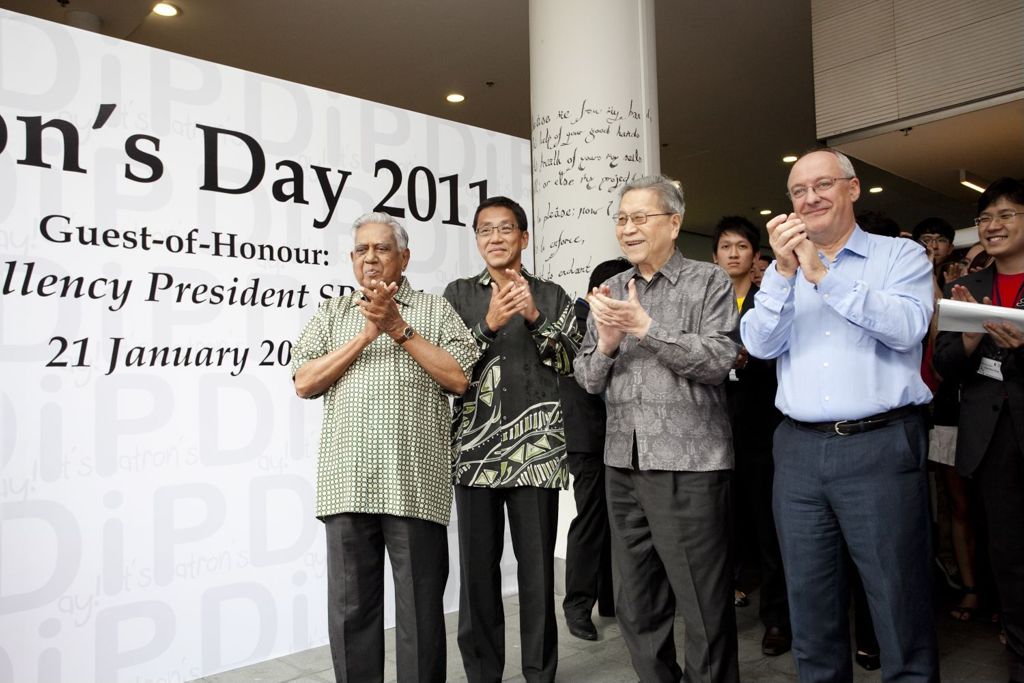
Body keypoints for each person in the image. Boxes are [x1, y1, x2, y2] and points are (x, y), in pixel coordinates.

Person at [740, 148, 938, 682]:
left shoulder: (901, 257)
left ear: (852, 189)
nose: (810, 198)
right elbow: (758, 346)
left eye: (822, 185)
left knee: (898, 602)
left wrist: (822, 274)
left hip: (880, 445)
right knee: (811, 607)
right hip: (799, 452)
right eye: (798, 191)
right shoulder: (782, 273)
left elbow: (905, 328)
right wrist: (782, 274)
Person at [291, 212, 480, 683]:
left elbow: (459, 377)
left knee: (419, 611)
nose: (370, 258)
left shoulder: (435, 311)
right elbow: (304, 381)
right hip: (346, 484)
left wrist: (398, 328)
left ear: (405, 257)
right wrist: (366, 336)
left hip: (414, 484)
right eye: (361, 250)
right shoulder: (333, 313)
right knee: (351, 611)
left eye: (382, 249)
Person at [575, 175, 740, 683]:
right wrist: (605, 341)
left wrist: (646, 329)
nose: (627, 228)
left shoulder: (708, 281)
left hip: (690, 464)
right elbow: (585, 377)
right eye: (622, 218)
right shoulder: (612, 289)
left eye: (639, 217)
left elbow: (719, 359)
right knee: (635, 602)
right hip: (623, 462)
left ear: (674, 222)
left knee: (702, 605)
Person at [444, 196, 579, 683]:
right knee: (477, 576)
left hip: (537, 455)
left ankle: (540, 673)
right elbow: (446, 369)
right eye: (485, 230)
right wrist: (490, 325)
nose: (495, 238)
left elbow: (575, 364)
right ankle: (484, 674)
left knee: (538, 574)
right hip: (474, 455)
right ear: (477, 240)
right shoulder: (457, 294)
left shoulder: (553, 294)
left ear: (524, 237)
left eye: (505, 229)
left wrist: (537, 318)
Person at [934, 177, 1024, 683]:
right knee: (1009, 558)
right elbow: (944, 364)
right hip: (994, 443)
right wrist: (969, 338)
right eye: (985, 218)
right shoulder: (967, 290)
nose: (992, 226)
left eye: (1006, 215)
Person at [712, 216, 791, 657]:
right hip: (712, 431)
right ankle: (723, 604)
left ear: (755, 256)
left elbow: (781, 356)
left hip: (762, 430)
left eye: (742, 246)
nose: (734, 254)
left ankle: (777, 618)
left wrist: (750, 360)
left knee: (768, 528)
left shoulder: (768, 299)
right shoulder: (705, 302)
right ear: (715, 255)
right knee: (721, 527)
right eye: (726, 246)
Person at [560, 258, 632, 641]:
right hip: (588, 437)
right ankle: (577, 606)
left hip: (619, 434)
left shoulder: (620, 320)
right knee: (590, 520)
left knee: (614, 520)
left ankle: (608, 599)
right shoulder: (574, 321)